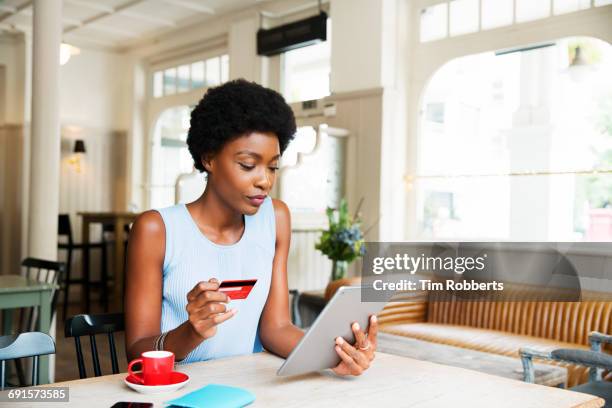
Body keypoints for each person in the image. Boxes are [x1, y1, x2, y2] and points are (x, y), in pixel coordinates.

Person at [125, 79, 377, 376]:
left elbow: (276, 328)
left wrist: (337, 356)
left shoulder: (276, 218)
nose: (265, 181)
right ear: (208, 158)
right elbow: (137, 352)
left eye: (272, 167)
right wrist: (192, 331)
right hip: (180, 388)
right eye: (247, 165)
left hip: (251, 388)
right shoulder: (156, 229)